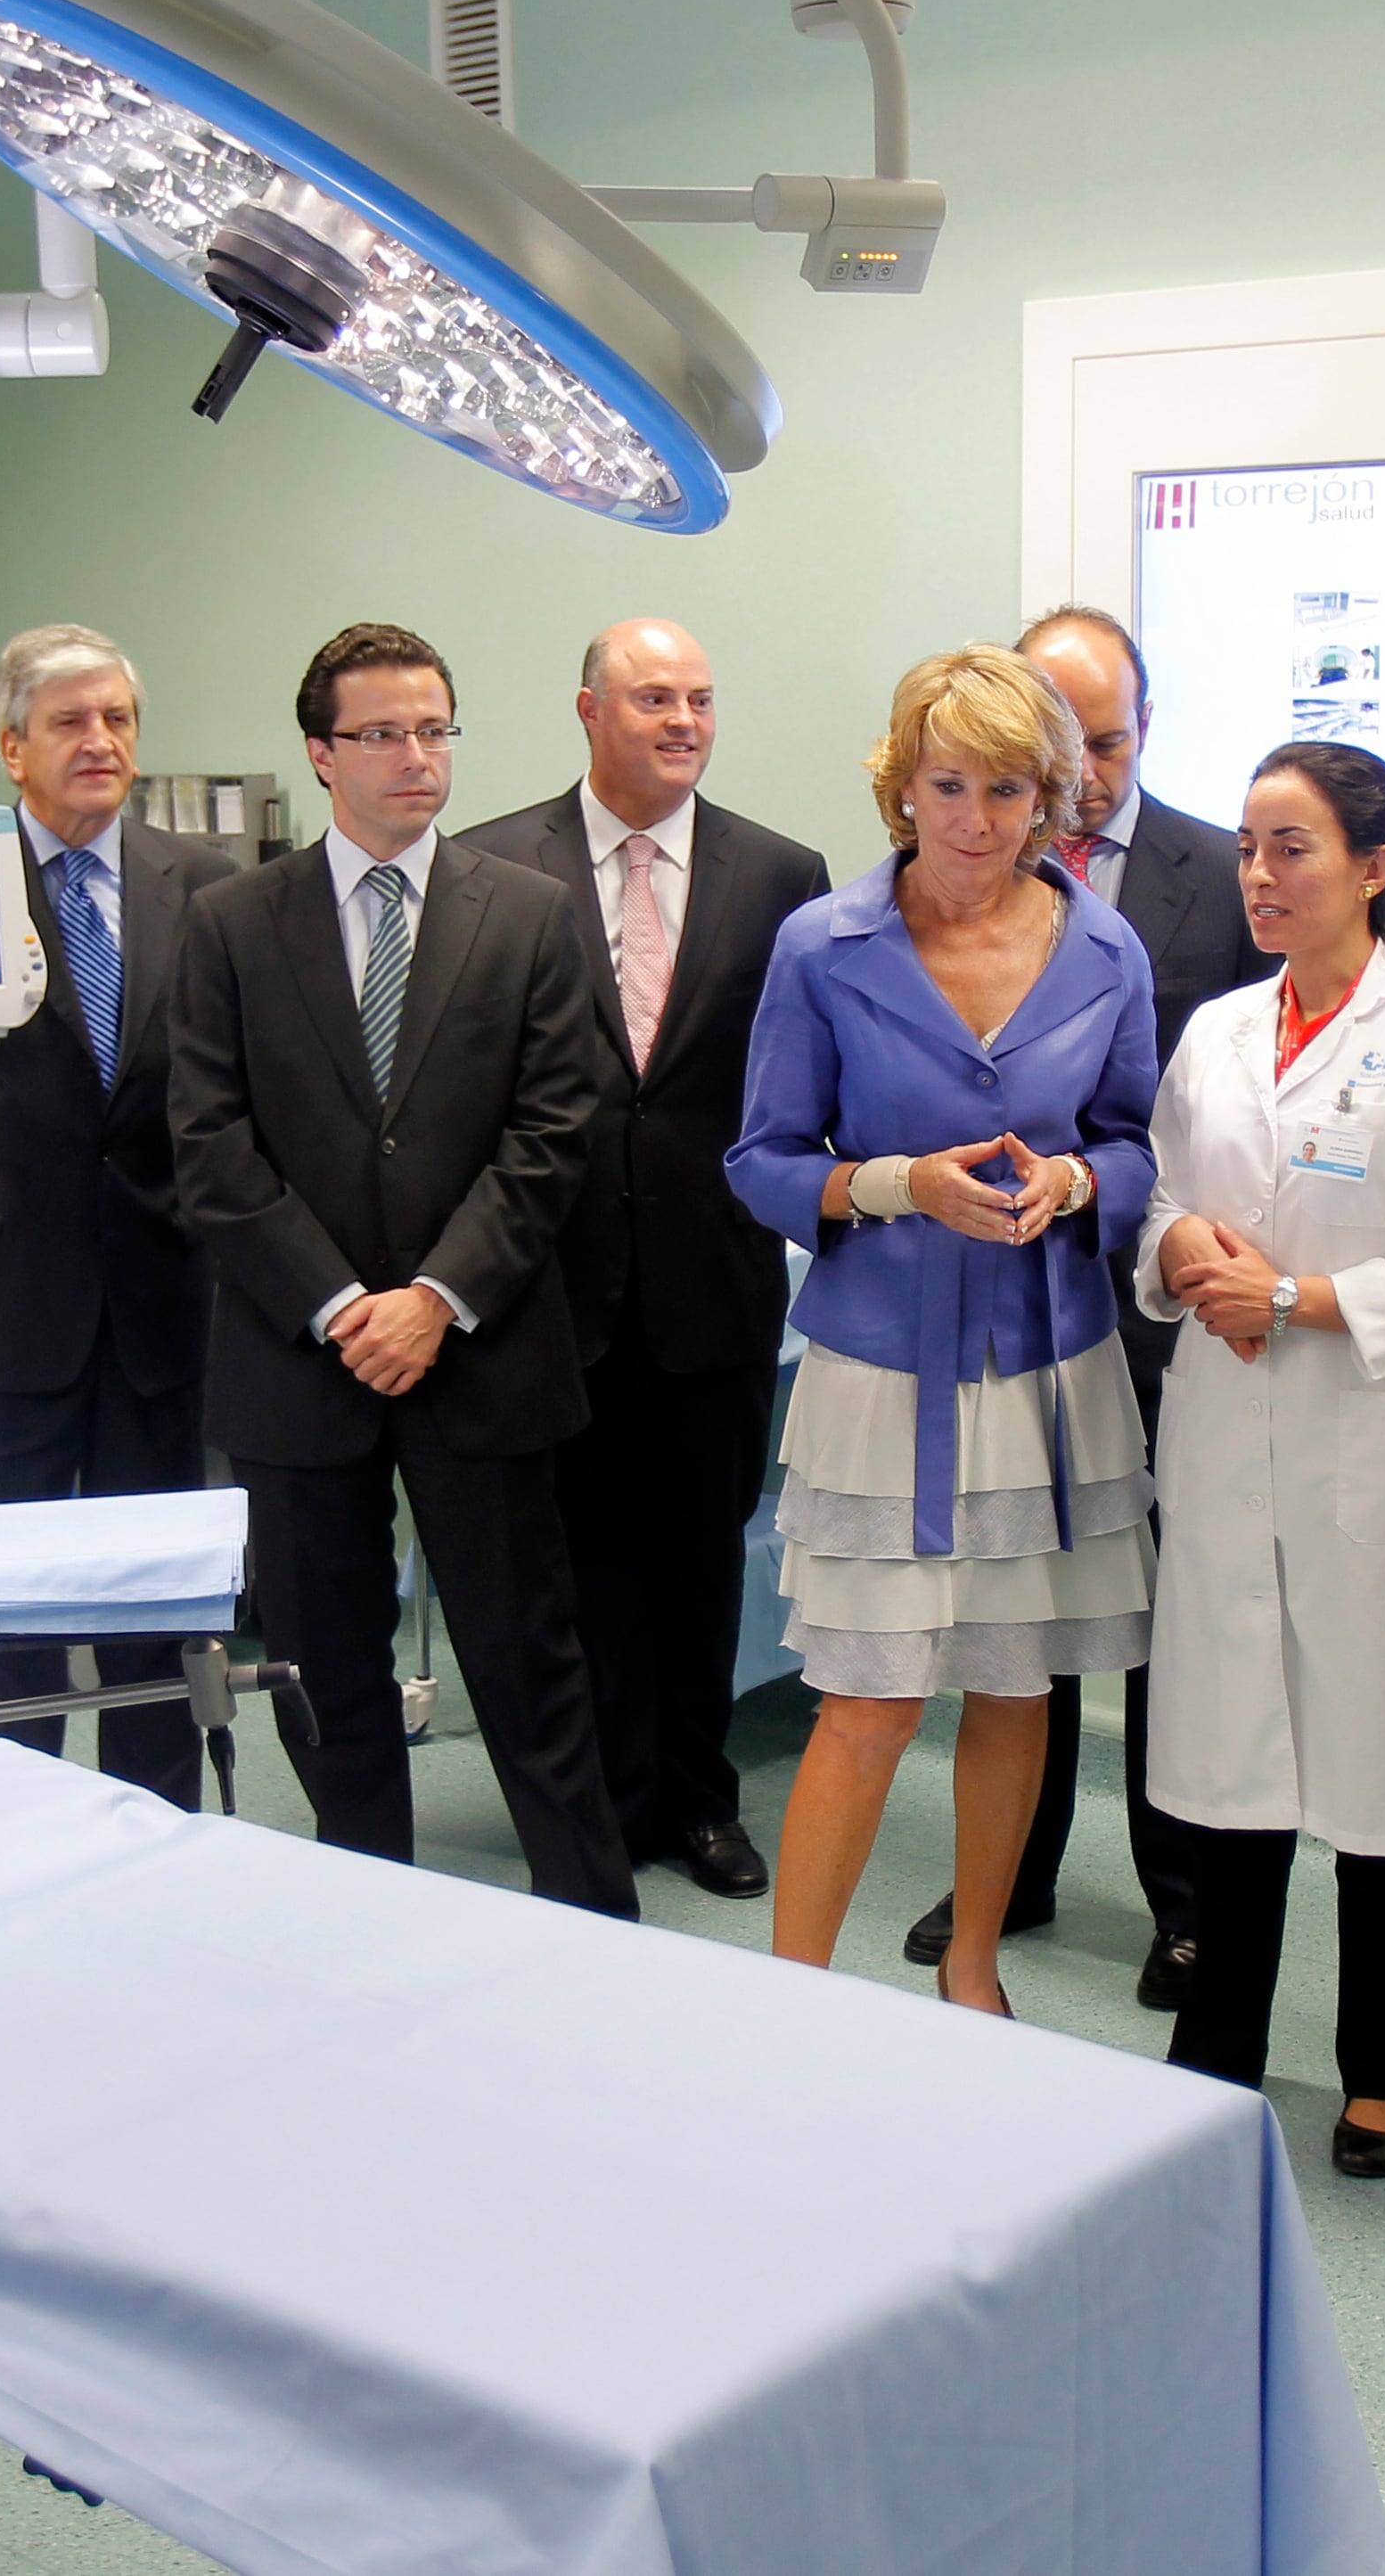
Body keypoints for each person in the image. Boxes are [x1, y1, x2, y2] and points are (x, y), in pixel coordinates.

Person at [168, 622, 635, 1915]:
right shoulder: (232, 924)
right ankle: (370, 1919)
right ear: (321, 754)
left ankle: (597, 1927)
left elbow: (556, 1133)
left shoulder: (529, 914)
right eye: (381, 733)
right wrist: (340, 1306)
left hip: (480, 1349)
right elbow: (209, 1148)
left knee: (528, 1666)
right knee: (328, 1672)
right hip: (296, 1361)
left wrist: (433, 1299)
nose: (416, 757)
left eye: (435, 729)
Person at [726, 645, 1160, 2016]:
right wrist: (893, 1187)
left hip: (1046, 1363)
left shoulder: (1106, 946)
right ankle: (794, 1998)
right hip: (882, 1363)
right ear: (902, 786)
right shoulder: (824, 944)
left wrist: (1080, 1184)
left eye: (1010, 788)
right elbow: (761, 1159)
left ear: (1054, 798)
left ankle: (974, 1970)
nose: (976, 818)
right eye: (949, 783)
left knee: (1014, 1683)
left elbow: (1137, 1142)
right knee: (867, 1696)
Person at [1142, 742, 1385, 2174]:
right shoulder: (1221, 1029)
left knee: (1378, 1766)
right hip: (1231, 1429)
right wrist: (1179, 1249)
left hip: (1373, 1439)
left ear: (1375, 865)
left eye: (1291, 847)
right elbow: (1164, 1193)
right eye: (1247, 845)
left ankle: (1384, 2071)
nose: (1257, 874)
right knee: (1236, 1754)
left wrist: (1296, 1300)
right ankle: (1220, 2037)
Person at [900, 603, 1265, 2006]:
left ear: (1144, 729)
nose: (1082, 771)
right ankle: (1014, 1874)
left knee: (1163, 1614)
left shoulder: (1212, 876)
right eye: (1055, 741)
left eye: (1103, 740)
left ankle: (1179, 1901)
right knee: (1015, 1602)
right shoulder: (953, 876)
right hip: (1003, 1299)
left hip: (1167, 1299)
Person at [455, 619, 829, 1899]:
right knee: (574, 1562)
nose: (682, 720)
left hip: (709, 1290)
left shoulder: (785, 875)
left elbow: (794, 1082)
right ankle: (598, 1802)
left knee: (699, 1557)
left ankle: (697, 1797)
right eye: (654, 697)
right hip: (548, 1289)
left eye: (701, 700)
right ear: (588, 710)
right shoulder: (493, 864)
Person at [0, 626, 235, 1808]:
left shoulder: (210, 891)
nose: (100, 742)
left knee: (150, 1599)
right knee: (5, 1602)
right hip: (0, 1304)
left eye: (118, 719)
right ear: (9, 746)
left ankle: (160, 1831)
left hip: (156, 1304)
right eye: (71, 722)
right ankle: (8, 1835)